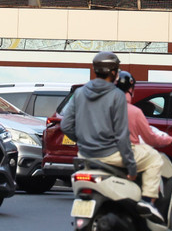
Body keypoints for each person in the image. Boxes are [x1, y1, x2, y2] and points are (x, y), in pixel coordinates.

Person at [61, 52, 161, 220]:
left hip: (85, 155)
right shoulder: (116, 96)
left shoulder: (79, 93)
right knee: (154, 158)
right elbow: (122, 136)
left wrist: (84, 140)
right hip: (111, 155)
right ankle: (146, 202)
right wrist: (131, 168)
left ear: (96, 70)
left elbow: (65, 125)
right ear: (114, 72)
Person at [115, 69, 172, 215]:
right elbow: (150, 138)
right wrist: (169, 140)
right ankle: (148, 201)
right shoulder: (134, 112)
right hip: (125, 153)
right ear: (130, 90)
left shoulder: (101, 108)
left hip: (98, 153)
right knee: (154, 159)